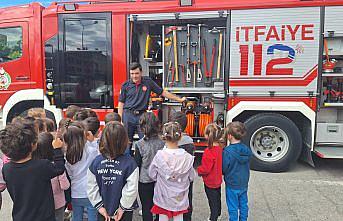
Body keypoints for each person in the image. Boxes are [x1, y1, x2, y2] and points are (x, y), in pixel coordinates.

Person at [0, 118, 65, 221]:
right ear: (32, 145)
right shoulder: (42, 165)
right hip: (44, 217)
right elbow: (59, 168)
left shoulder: (7, 169)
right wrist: (57, 150)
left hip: (20, 216)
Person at [118, 62, 186, 143]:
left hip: (142, 116)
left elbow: (162, 92)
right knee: (126, 143)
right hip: (128, 116)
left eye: (137, 73)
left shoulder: (148, 82)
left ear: (141, 72)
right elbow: (121, 103)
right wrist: (120, 120)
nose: (134, 76)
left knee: (145, 142)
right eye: (132, 74)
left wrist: (179, 99)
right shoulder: (125, 85)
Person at [88, 122, 139, 221]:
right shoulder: (130, 163)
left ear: (103, 139)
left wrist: (100, 207)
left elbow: (91, 187)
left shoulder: (96, 162)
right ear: (124, 140)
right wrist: (122, 208)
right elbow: (131, 189)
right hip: (124, 211)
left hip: (103, 210)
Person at [149, 122, 195, 221]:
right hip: (180, 198)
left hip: (163, 196)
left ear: (163, 136)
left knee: (162, 218)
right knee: (179, 218)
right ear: (181, 136)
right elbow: (191, 177)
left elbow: (152, 174)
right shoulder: (187, 157)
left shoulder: (159, 156)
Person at [64, 121, 99, 221]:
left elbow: (69, 174)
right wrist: (92, 141)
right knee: (93, 216)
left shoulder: (67, 155)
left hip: (75, 192)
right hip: (90, 191)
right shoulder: (91, 151)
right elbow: (98, 157)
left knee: (77, 217)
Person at [32, 132, 70, 221]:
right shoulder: (56, 166)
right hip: (58, 204)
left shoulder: (34, 166)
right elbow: (65, 186)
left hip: (40, 204)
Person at [134, 112, 164, 221]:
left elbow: (137, 164)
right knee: (160, 207)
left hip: (144, 180)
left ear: (142, 128)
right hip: (160, 180)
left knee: (146, 209)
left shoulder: (139, 144)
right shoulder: (163, 143)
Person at [222, 122, 252, 221]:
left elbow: (224, 167)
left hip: (232, 182)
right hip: (243, 182)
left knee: (233, 206)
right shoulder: (246, 149)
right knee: (243, 203)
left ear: (229, 136)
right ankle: (243, 219)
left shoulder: (227, 151)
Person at [170, 111, 195, 221]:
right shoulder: (190, 142)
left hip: (172, 178)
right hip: (186, 178)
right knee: (187, 198)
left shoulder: (168, 143)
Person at [197, 123, 224, 221]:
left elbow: (206, 169)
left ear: (208, 136)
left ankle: (213, 217)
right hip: (217, 180)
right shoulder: (220, 149)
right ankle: (219, 213)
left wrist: (199, 170)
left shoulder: (208, 151)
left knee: (212, 201)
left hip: (210, 182)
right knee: (217, 198)